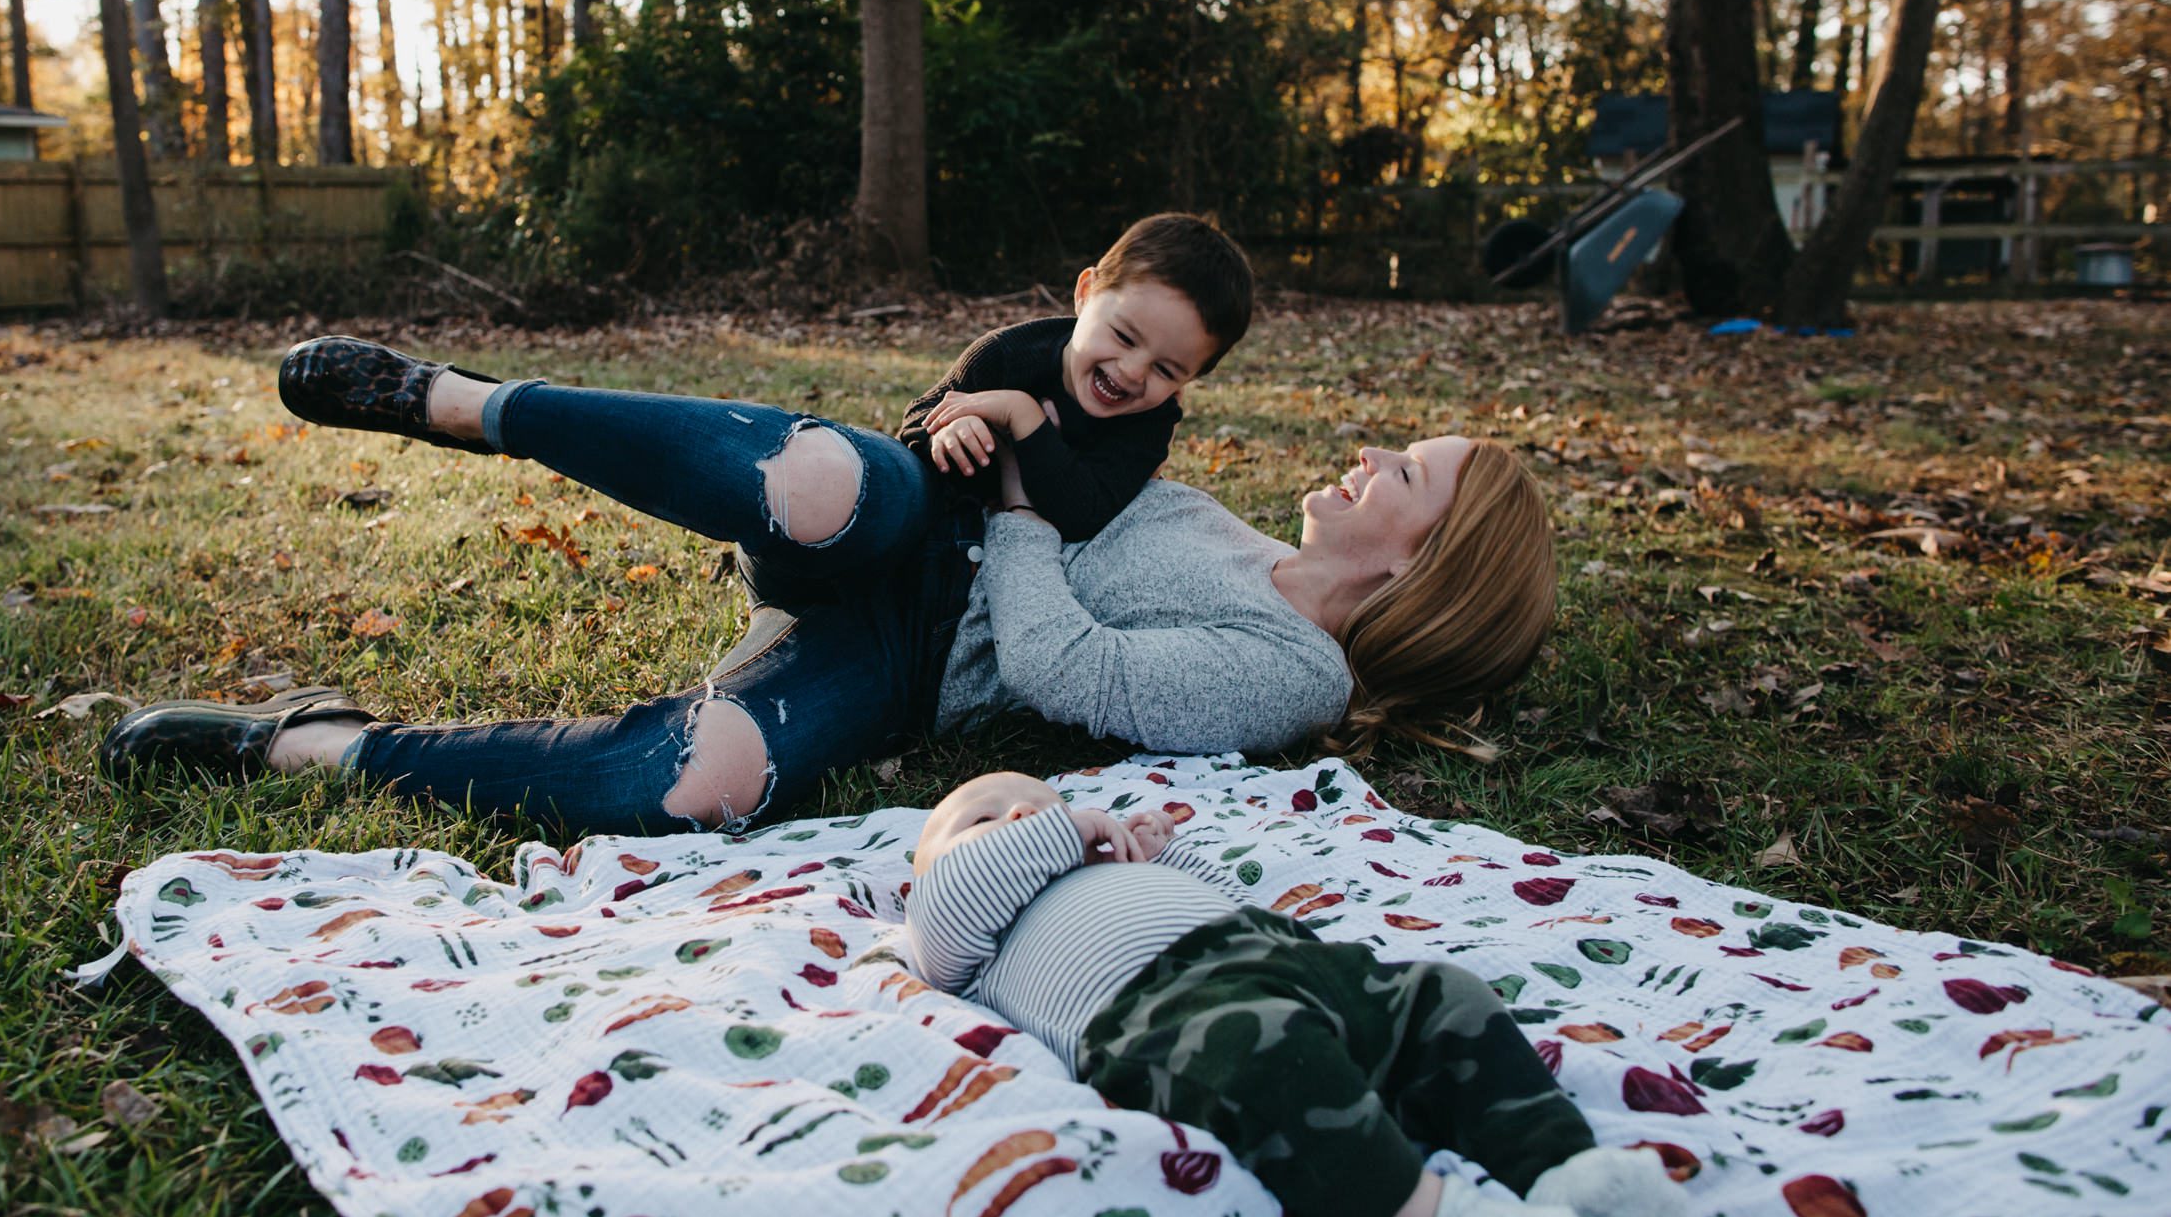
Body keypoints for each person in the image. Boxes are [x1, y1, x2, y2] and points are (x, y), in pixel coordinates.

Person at [100, 330, 1556, 837]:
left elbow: (1065, 668)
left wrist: (1029, 500)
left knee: (704, 781)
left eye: (1404, 472)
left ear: (1427, 562)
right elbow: (1056, 435)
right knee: (820, 481)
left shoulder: (1294, 672)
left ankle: (303, 736)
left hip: (912, 662)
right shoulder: (1240, 534)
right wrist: (989, 428)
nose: (1370, 457)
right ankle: (456, 399)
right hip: (910, 520)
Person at [905, 771, 1685, 1217]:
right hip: (1161, 1011)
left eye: (1039, 803)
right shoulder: (970, 931)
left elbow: (1234, 899)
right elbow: (948, 911)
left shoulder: (1098, 859)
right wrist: (1064, 825)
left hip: (1287, 961)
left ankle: (1557, 1163)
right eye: (984, 819)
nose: (1020, 816)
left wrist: (1163, 850)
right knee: (1267, 1060)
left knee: (1443, 997)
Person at [901, 213, 1253, 542]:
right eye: (1124, 337)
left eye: (1165, 370)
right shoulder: (1007, 353)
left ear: (1189, 379)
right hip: (939, 533)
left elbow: (1083, 514)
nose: (1132, 372)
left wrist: (1023, 415)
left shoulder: (1149, 422)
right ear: (1086, 293)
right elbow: (916, 422)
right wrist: (942, 432)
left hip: (1038, 563)